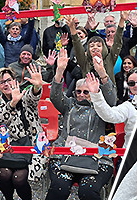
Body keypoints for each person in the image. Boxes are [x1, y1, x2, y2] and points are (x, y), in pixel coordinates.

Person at [46, 47, 116, 200]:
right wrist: (60, 71)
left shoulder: (100, 108)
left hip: (97, 159)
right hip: (64, 156)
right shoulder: (69, 105)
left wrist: (103, 74)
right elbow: (55, 96)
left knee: (88, 191)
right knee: (59, 189)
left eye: (86, 92)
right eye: (79, 91)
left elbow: (111, 101)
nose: (82, 95)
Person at [0, 66, 44, 200]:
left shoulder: (25, 97)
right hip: (9, 148)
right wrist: (12, 103)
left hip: (31, 146)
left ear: (15, 81)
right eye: (2, 82)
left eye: (9, 80)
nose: (7, 84)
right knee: (4, 174)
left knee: (18, 178)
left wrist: (37, 87)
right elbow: (1, 120)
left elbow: (34, 96)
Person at [91, 67, 137, 146]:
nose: (136, 85)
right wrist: (96, 94)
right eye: (131, 83)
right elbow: (109, 115)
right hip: (133, 151)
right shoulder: (128, 106)